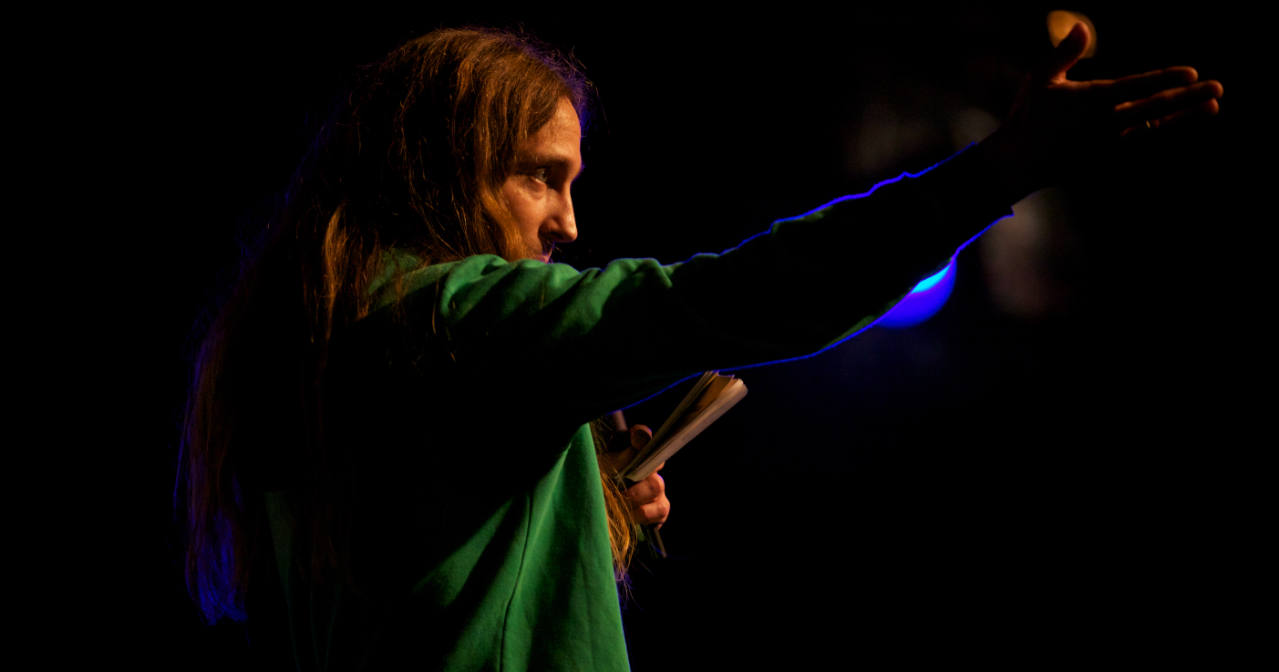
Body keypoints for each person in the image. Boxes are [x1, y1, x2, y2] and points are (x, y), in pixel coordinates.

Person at [176, 24, 1221, 670]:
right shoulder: (457, 318)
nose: (568, 223)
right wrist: (996, 173)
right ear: (437, 169)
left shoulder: (318, 340)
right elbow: (727, 301)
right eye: (540, 175)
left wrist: (573, 521)